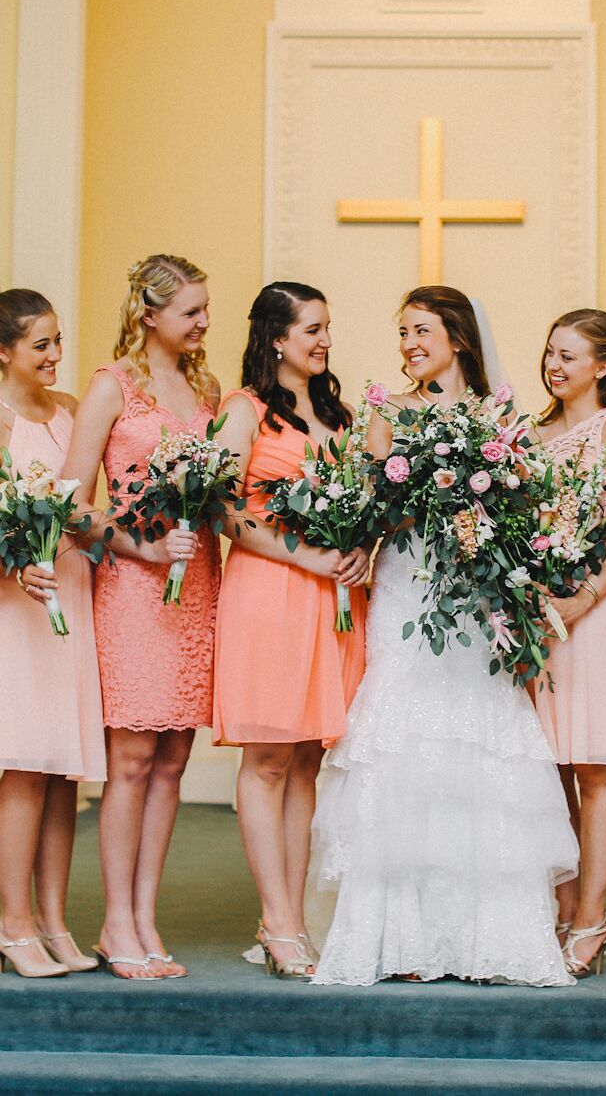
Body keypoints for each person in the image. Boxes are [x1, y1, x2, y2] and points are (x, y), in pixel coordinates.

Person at [310, 286, 576, 987]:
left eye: (420, 330)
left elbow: (521, 507)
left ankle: (491, 936)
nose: (408, 345)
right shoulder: (387, 414)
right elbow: (374, 512)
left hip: (475, 598)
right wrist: (420, 495)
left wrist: (482, 506)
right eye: (401, 333)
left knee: (477, 737)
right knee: (405, 734)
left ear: (456, 336)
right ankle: (396, 937)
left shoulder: (500, 419)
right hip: (407, 589)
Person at [64, 254, 220, 979]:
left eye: (205, 308)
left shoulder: (206, 389)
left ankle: (146, 915)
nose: (203, 322)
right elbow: (71, 499)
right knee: (129, 759)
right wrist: (141, 545)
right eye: (191, 310)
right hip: (132, 587)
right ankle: (114, 920)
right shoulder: (110, 386)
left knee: (173, 760)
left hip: (196, 587)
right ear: (149, 314)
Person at [211, 283, 370, 980]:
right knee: (270, 758)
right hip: (271, 592)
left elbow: (367, 498)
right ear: (277, 336)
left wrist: (362, 545)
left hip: (333, 598)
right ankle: (276, 919)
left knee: (309, 757)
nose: (324, 340)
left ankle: (295, 914)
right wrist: (302, 553)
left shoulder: (339, 414)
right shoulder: (242, 411)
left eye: (328, 327)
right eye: (312, 328)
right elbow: (223, 510)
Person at [0, 285, 107, 977]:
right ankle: (12, 922)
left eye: (57, 340)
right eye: (40, 343)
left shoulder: (72, 410)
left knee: (64, 766)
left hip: (69, 591)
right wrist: (21, 569)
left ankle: (52, 918)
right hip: (19, 606)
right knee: (25, 762)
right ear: (2, 349)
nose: (55, 354)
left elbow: (83, 510)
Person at [531, 309, 606, 977]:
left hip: (595, 610)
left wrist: (582, 599)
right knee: (548, 767)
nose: (555, 365)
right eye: (551, 352)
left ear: (603, 363)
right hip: (538, 610)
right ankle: (559, 902)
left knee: (594, 765)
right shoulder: (532, 430)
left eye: (570, 355)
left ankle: (592, 916)